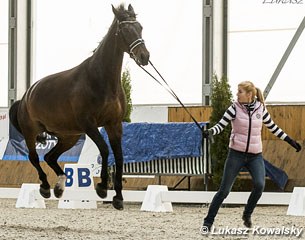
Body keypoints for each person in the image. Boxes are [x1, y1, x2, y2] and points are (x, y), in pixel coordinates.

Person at [202, 81, 301, 230]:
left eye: (240, 92)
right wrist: (210, 132)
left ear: (249, 94)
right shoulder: (234, 108)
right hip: (236, 154)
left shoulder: (260, 109)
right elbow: (220, 125)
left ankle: (247, 214)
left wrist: (290, 140)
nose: (237, 94)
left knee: (260, 185)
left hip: (255, 156)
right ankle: (208, 222)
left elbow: (273, 127)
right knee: (224, 190)